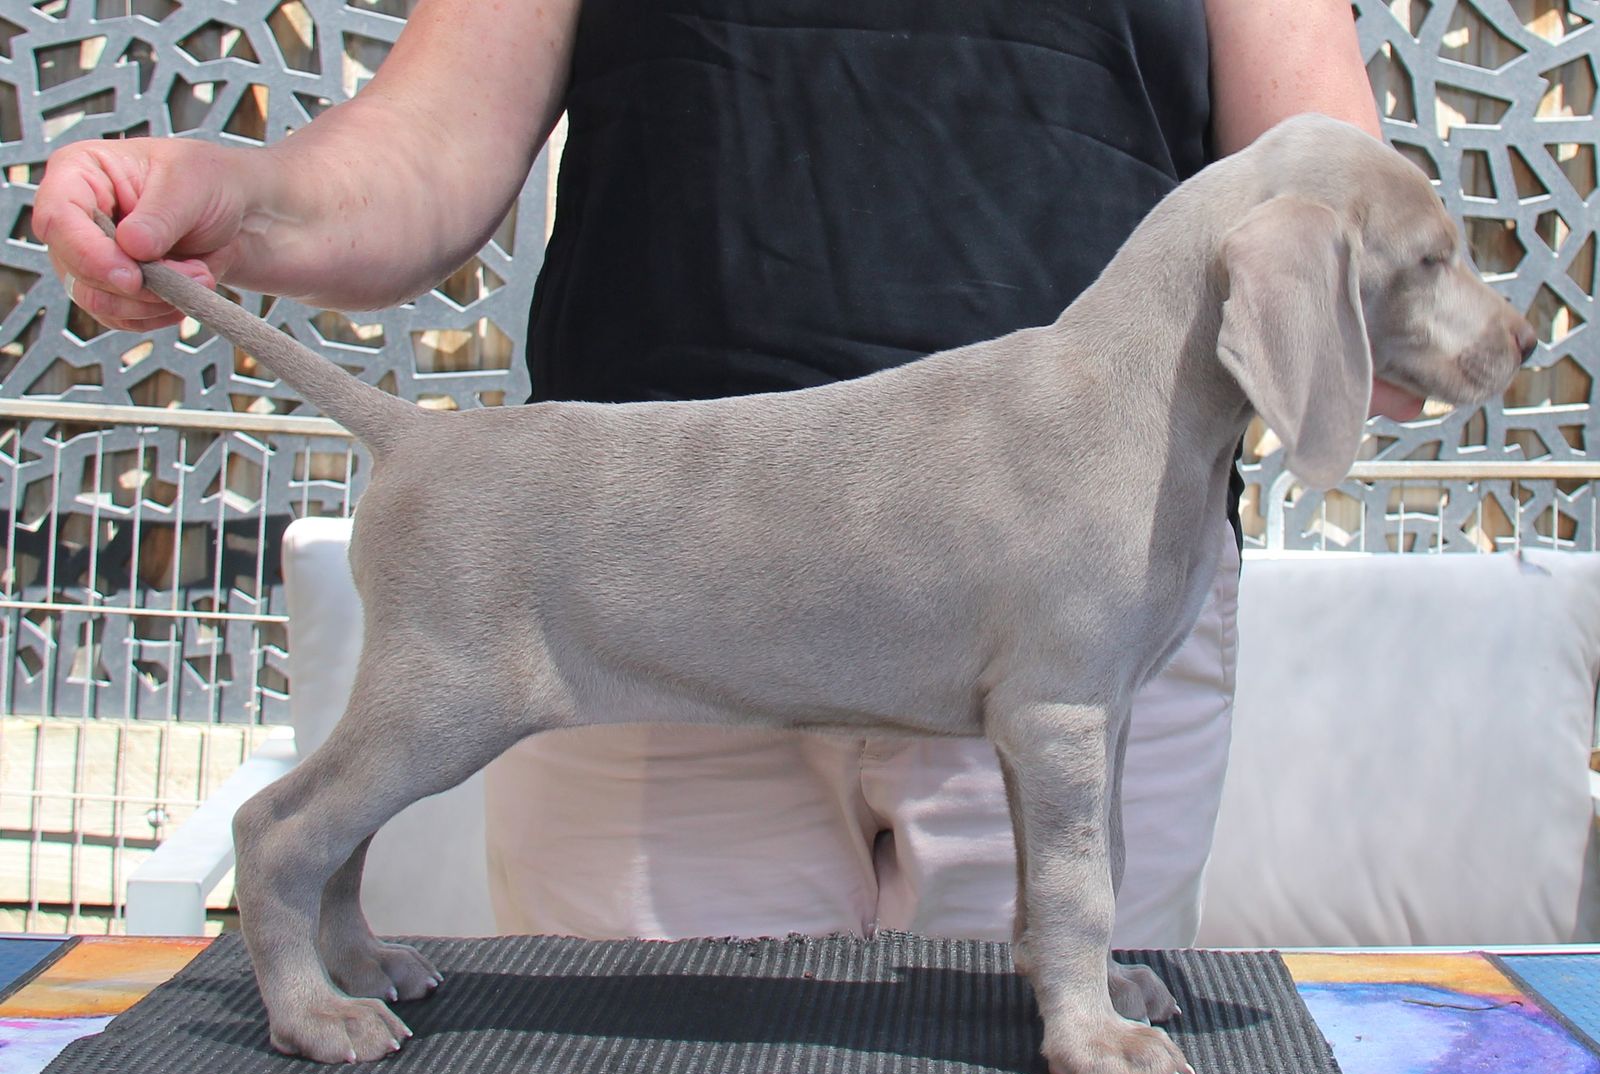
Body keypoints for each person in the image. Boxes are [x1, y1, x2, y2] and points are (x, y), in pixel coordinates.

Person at [36, 0, 1423, 949]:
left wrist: (1404, 312)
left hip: (1089, 594)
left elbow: (1326, 176)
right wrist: (248, 202)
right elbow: (432, 140)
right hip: (647, 582)